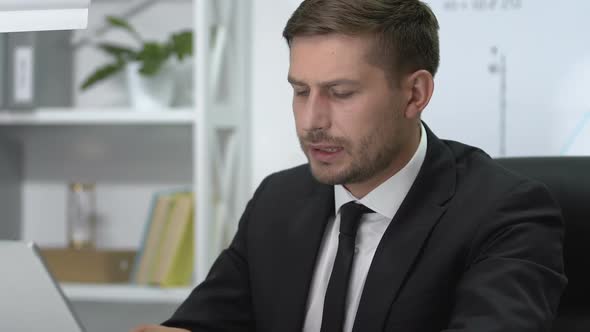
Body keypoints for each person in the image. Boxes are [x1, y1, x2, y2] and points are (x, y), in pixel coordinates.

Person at [132, 0, 567, 331]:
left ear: (415, 94)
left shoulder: (506, 213)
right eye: (301, 91)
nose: (311, 121)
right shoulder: (278, 199)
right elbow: (202, 324)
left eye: (340, 93)